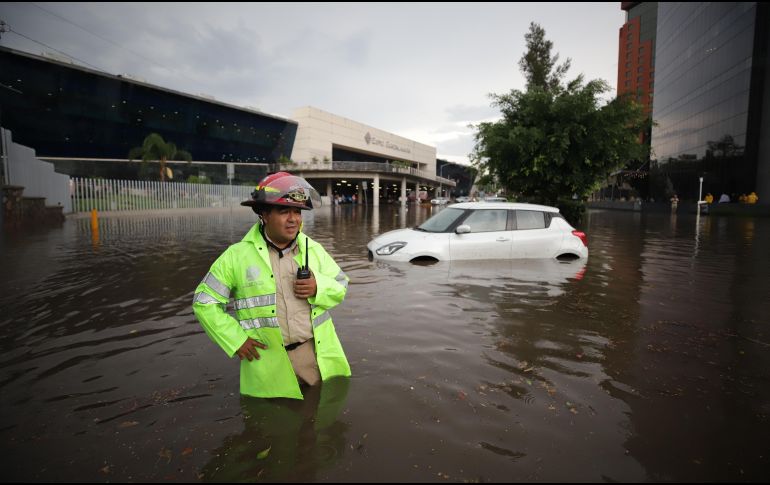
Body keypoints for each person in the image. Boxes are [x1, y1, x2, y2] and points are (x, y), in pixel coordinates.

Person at [192, 172, 351, 399]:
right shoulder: (236, 256)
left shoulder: (313, 249)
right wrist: (236, 340)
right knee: (273, 423)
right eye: (284, 211)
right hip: (265, 362)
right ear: (264, 214)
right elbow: (204, 302)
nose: (293, 219)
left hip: (313, 355)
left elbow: (341, 284)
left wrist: (318, 287)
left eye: (297, 211)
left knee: (319, 421)